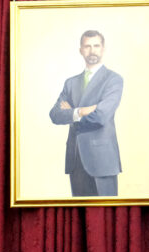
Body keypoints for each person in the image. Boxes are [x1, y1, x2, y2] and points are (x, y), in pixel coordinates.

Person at [48, 30, 123, 197]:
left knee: (105, 212)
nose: (92, 50)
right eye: (87, 46)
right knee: (79, 213)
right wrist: (81, 111)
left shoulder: (113, 80)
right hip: (75, 159)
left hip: (102, 161)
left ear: (103, 49)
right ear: (81, 50)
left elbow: (101, 116)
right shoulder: (70, 83)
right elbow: (54, 114)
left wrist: (71, 114)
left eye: (96, 46)